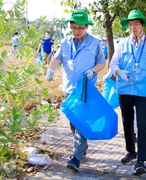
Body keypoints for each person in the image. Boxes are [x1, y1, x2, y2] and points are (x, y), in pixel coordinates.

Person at [45, 9, 106, 171]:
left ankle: (76, 157)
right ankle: (82, 149)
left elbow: (101, 62)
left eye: (80, 28)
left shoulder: (95, 43)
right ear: (70, 27)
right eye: (74, 28)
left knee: (80, 123)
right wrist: (51, 69)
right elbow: (57, 59)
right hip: (69, 90)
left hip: (85, 90)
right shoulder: (65, 42)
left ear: (87, 27)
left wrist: (94, 70)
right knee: (73, 122)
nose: (77, 31)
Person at [110, 9, 146, 176]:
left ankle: (141, 160)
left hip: (143, 90)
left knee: (141, 124)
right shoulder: (121, 44)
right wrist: (119, 72)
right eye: (130, 24)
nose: (133, 27)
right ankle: (131, 152)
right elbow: (113, 64)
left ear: (143, 26)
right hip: (124, 89)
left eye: (136, 24)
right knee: (126, 123)